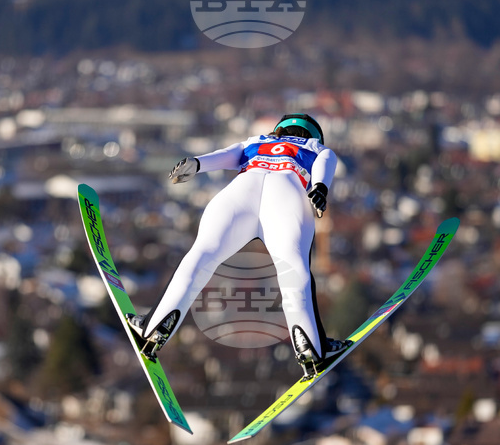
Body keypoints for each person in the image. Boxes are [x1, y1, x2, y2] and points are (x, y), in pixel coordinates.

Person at [127, 113, 350, 378]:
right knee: (293, 267)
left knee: (201, 254)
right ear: (314, 135)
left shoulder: (257, 141)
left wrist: (197, 164)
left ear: (278, 130)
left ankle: (154, 326)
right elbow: (326, 163)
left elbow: (227, 155)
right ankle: (312, 349)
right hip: (287, 196)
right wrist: (320, 188)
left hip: (240, 192)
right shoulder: (316, 148)